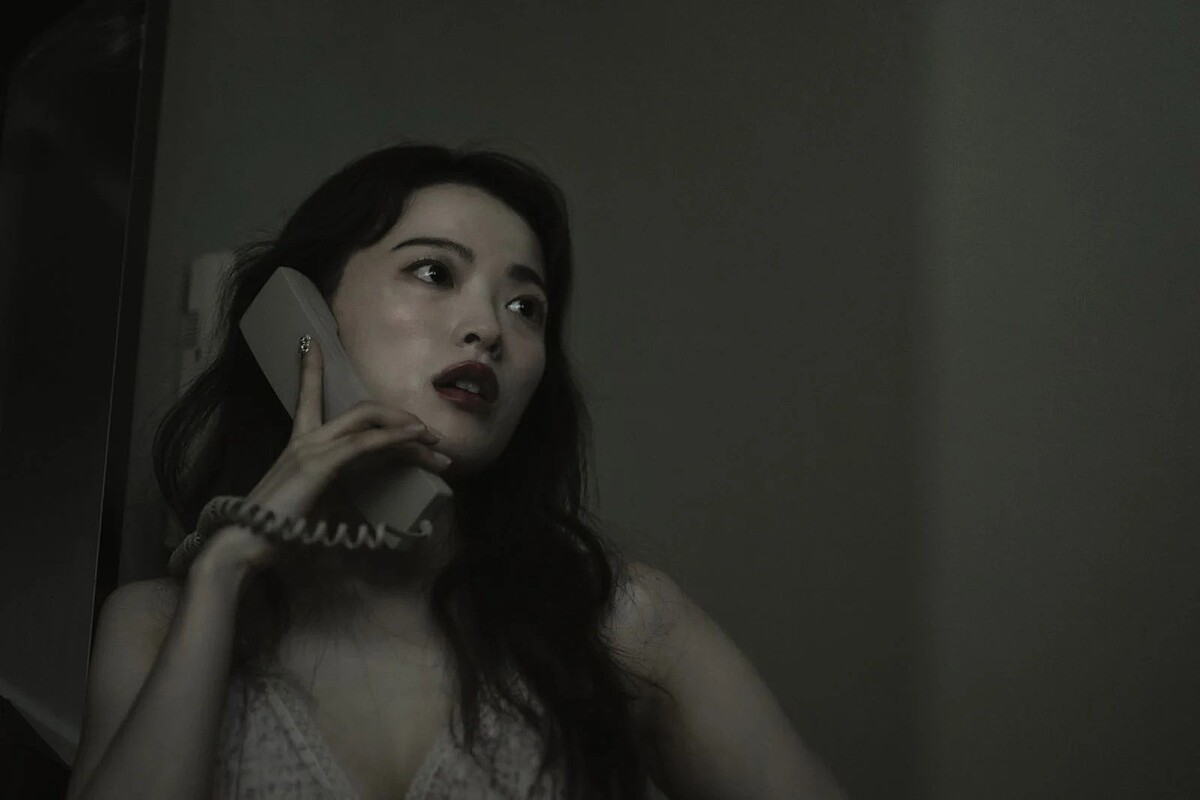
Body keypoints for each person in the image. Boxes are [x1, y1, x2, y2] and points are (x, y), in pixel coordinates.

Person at [64, 143, 846, 799]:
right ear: (303, 318)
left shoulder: (620, 620)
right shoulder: (156, 626)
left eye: (525, 307)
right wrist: (226, 568)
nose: (488, 329)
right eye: (435, 273)